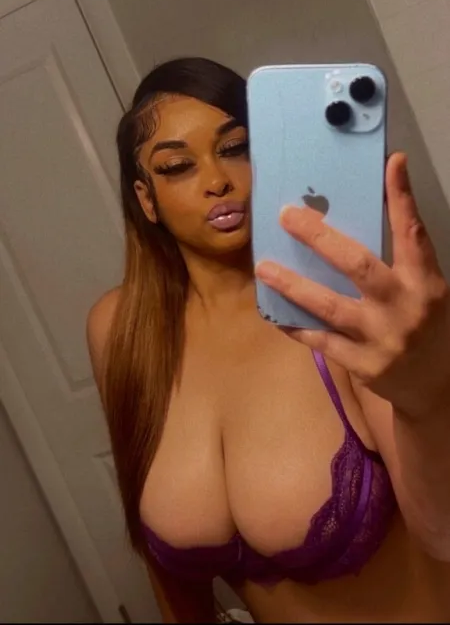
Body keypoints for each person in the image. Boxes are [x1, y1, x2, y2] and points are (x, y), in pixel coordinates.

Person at [87, 57, 450, 623]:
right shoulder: (121, 329)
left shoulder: (339, 310)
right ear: (146, 199)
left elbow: (442, 531)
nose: (217, 181)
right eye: (178, 166)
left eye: (235, 148)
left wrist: (426, 397)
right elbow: (168, 573)